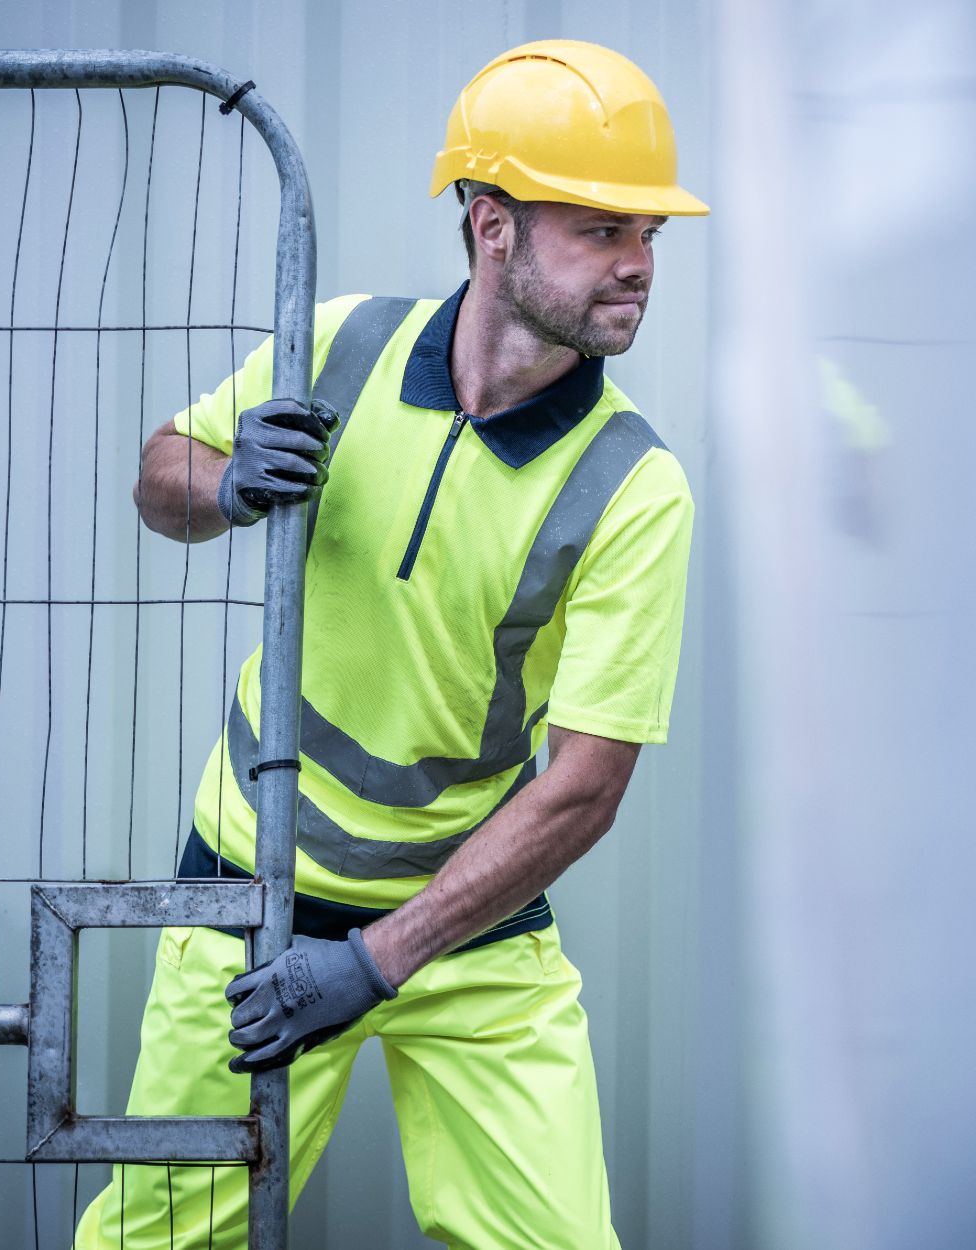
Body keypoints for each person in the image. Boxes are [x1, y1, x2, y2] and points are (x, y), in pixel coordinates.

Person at [77, 37, 707, 1250]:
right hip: (249, 898)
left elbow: (581, 790)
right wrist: (229, 482)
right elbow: (164, 474)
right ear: (491, 227)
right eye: (600, 229)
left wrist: (374, 960)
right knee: (152, 1243)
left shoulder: (635, 487)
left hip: (465, 918)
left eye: (648, 236)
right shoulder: (342, 346)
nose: (636, 267)